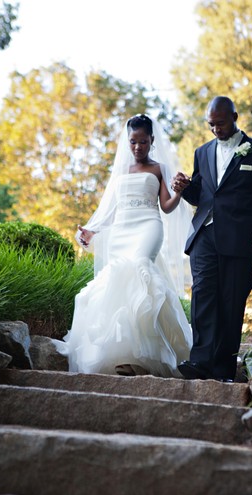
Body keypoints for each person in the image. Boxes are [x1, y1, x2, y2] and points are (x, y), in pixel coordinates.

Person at [60, 114, 193, 377]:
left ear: (151, 140)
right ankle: (123, 354)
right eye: (133, 141)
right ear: (127, 141)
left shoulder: (159, 168)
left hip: (148, 226)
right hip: (121, 230)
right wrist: (92, 229)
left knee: (141, 271)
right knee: (117, 282)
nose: (137, 147)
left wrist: (179, 191)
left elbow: (166, 207)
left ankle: (148, 353)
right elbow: (110, 208)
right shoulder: (121, 170)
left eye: (143, 142)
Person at [172, 96, 252, 382]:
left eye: (220, 123)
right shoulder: (202, 152)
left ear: (234, 116)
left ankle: (223, 369)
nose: (215, 130)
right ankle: (200, 362)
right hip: (204, 236)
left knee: (231, 303)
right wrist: (185, 188)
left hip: (240, 241)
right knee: (203, 297)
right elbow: (201, 196)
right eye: (211, 124)